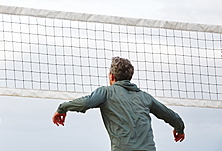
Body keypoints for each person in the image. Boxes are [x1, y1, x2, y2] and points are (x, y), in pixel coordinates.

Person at [52, 57, 185, 151]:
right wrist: (179, 129)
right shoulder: (145, 97)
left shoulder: (105, 92)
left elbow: (87, 102)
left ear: (111, 76)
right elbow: (173, 117)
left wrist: (63, 108)